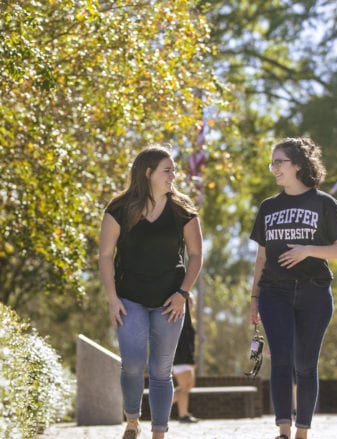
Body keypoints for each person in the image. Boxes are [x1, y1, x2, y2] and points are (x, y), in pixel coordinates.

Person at [248, 137, 337, 439]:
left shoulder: (324, 203)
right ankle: (283, 429)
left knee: (305, 363)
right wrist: (254, 297)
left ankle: (302, 431)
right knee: (280, 359)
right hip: (274, 292)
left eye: (279, 162)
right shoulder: (268, 207)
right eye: (272, 163)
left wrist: (308, 249)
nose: (273, 168)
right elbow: (261, 257)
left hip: (314, 292)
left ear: (298, 164)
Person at [99, 145, 203, 439]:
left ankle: (159, 432)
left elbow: (195, 255)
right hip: (129, 297)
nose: (174, 175)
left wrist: (183, 293)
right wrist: (112, 298)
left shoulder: (183, 210)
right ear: (148, 172)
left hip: (170, 300)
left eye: (173, 170)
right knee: (132, 363)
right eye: (167, 170)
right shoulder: (119, 208)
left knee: (161, 369)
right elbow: (106, 254)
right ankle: (132, 420)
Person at [172, 298, 199, 423]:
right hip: (180, 358)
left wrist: (192, 360)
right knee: (183, 387)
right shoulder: (180, 317)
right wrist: (185, 296)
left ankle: (184, 414)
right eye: (189, 302)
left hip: (187, 358)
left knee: (187, 387)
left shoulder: (189, 321)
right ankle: (182, 415)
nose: (191, 305)